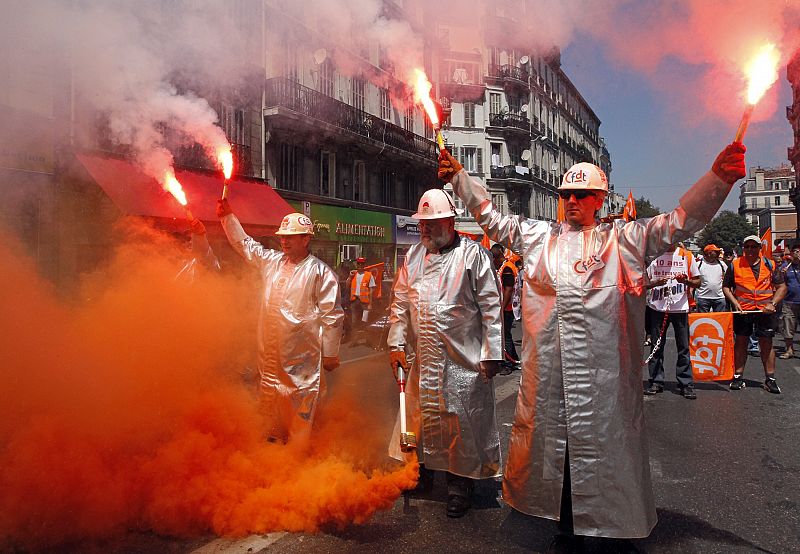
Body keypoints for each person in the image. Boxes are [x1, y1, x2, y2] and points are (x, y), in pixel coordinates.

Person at [441, 142, 746, 549]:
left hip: (606, 383)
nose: (571, 202)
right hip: (549, 382)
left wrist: (718, 179)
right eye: (565, 194)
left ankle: (614, 532)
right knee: (557, 461)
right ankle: (566, 529)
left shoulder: (625, 241)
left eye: (581, 195)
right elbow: (490, 218)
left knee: (610, 454)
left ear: (600, 199)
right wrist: (460, 179)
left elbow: (679, 222)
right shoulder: (536, 239)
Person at [387, 188, 503, 519]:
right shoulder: (412, 258)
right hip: (423, 360)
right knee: (420, 419)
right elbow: (399, 304)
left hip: (462, 361)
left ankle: (459, 485)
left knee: (461, 423)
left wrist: (492, 352)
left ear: (449, 222)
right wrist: (395, 345)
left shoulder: (473, 256)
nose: (424, 229)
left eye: (431, 223)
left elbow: (492, 307)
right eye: (422, 224)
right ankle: (421, 474)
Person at [217, 200, 344, 442]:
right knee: (269, 406)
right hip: (270, 360)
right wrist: (227, 218)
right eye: (283, 236)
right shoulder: (272, 262)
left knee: (300, 410)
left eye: (291, 237)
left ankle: (298, 459)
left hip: (301, 364)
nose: (284, 240)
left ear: (306, 239)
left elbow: (333, 316)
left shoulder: (321, 273)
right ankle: (271, 456)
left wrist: (330, 353)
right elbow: (245, 245)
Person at [723, 235, 787, 394]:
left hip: (764, 311)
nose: (750, 250)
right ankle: (738, 376)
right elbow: (726, 287)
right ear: (743, 248)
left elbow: (782, 287)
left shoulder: (770, 264)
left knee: (766, 343)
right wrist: (735, 303)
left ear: (760, 248)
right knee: (741, 342)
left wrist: (772, 304)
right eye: (747, 247)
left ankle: (770, 378)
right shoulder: (735, 265)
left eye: (753, 247)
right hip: (743, 310)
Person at [644, 244, 700, 399]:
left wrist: (686, 282)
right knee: (656, 347)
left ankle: (685, 384)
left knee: (683, 347)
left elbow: (698, 282)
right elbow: (644, 283)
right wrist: (656, 283)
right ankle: (656, 381)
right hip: (657, 308)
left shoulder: (687, 256)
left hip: (680, 308)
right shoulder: (653, 256)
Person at [490, 244, 520, 374]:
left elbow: (508, 289)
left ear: (497, 258)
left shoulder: (507, 268)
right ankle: (513, 359)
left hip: (506, 308)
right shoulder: (506, 266)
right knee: (506, 334)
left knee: (504, 336)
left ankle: (508, 364)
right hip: (505, 307)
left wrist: (501, 308)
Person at [349, 256, 376, 343]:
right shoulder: (353, 274)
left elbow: (372, 289)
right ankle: (354, 340)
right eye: (359, 263)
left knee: (365, 321)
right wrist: (349, 277)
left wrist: (370, 303)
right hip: (354, 301)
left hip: (364, 303)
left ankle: (368, 340)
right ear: (357, 264)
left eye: (362, 264)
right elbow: (347, 286)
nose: (360, 265)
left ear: (365, 265)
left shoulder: (369, 275)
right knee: (354, 322)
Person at [779, 244, 800, 358]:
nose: (797, 253)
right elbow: (780, 283)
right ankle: (789, 350)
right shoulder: (786, 267)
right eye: (795, 251)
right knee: (788, 325)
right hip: (789, 301)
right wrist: (782, 273)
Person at [695, 244, 728, 312]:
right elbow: (694, 280)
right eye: (715, 251)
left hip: (719, 297)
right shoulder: (698, 265)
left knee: (719, 320)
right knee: (703, 321)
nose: (718, 253)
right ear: (709, 253)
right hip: (703, 297)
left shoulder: (722, 264)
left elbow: (726, 279)